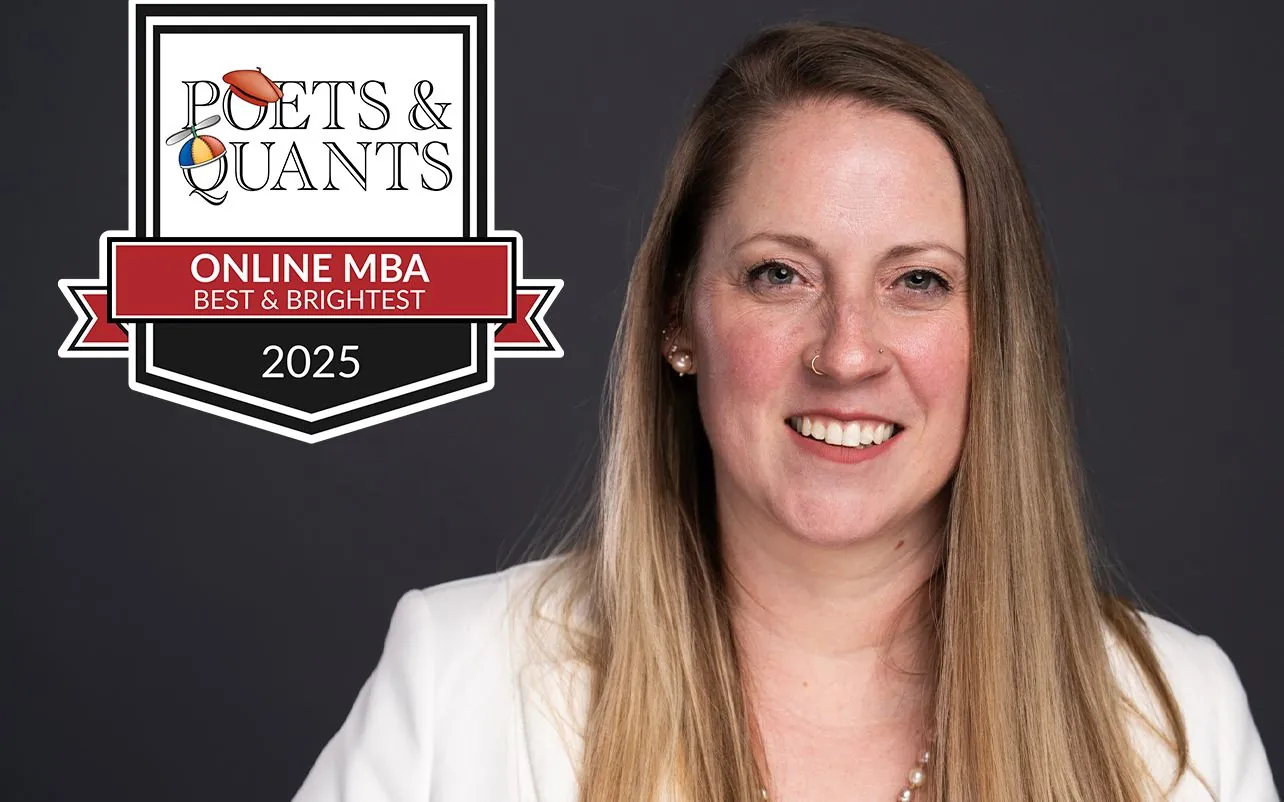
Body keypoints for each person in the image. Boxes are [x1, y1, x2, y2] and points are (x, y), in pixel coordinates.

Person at [291, 22, 1278, 802]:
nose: (846, 353)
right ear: (678, 315)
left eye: (919, 282)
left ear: (999, 339)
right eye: (779, 274)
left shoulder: (1175, 721)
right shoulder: (461, 677)